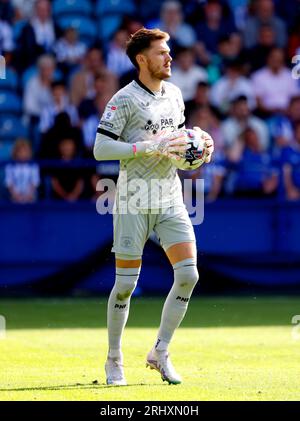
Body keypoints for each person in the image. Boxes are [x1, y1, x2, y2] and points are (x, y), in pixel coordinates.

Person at [93, 28, 214, 386]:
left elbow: (175, 145)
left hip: (170, 198)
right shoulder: (123, 100)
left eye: (169, 51)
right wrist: (143, 148)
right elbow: (100, 149)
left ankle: (160, 352)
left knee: (189, 275)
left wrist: (194, 150)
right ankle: (114, 359)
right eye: (162, 53)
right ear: (142, 60)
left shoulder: (175, 95)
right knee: (126, 285)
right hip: (133, 201)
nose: (169, 57)